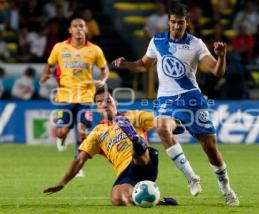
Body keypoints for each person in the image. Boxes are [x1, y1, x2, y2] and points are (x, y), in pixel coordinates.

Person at [113, 2, 239, 206]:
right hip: (166, 100)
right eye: (173, 22)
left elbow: (217, 71)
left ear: (187, 22)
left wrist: (222, 57)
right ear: (168, 22)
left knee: (211, 149)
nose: (176, 26)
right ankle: (191, 177)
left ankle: (226, 188)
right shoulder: (157, 41)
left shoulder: (196, 44)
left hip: (192, 99)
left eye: (180, 23)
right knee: (161, 126)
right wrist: (127, 63)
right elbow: (144, 64)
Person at [43, 86, 178, 206]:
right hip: (126, 174)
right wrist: (62, 182)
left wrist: (172, 125)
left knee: (136, 151)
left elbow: (160, 121)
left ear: (115, 102)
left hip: (146, 161)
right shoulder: (97, 133)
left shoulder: (133, 116)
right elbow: (79, 160)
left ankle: (136, 141)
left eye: (108, 100)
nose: (105, 104)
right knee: (118, 199)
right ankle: (157, 201)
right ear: (97, 107)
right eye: (100, 102)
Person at [39, 18, 109, 177]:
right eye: (75, 26)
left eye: (81, 26)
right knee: (62, 131)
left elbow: (105, 69)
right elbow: (50, 65)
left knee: (82, 131)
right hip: (65, 97)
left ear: (86, 29)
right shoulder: (59, 48)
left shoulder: (95, 50)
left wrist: (103, 80)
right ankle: (63, 137)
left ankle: (78, 165)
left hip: (86, 97)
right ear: (70, 30)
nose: (78, 29)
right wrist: (45, 75)